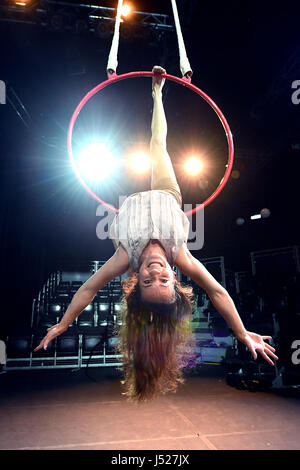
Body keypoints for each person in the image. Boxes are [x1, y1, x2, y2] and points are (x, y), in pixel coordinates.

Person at [34, 66, 278, 401]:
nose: (155, 273)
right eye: (164, 281)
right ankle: (157, 92)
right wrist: (241, 333)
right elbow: (219, 293)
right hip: (166, 193)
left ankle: (152, 95)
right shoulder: (180, 254)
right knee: (157, 145)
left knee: (125, 154)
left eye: (148, 282)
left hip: (127, 199)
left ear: (136, 283)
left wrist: (64, 324)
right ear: (175, 280)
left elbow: (89, 288)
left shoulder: (124, 258)